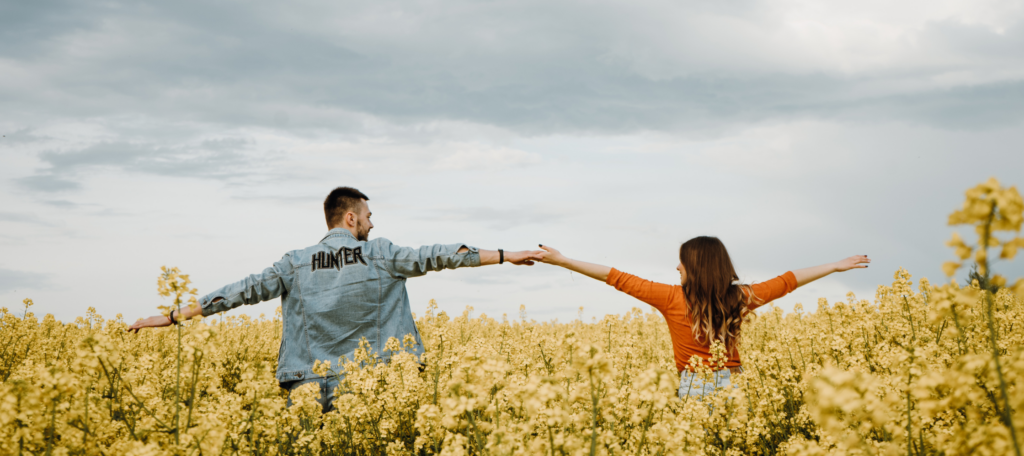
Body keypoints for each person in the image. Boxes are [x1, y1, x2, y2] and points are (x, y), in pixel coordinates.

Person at [129, 186, 544, 412]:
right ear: (351, 218)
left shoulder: (294, 263)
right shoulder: (381, 252)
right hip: (375, 383)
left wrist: (171, 316)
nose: (372, 223)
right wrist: (506, 255)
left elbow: (239, 292)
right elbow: (442, 255)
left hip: (306, 386)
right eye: (367, 216)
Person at [535, 237, 869, 399]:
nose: (676, 267)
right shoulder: (741, 297)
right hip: (736, 382)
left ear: (694, 267)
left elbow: (615, 276)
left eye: (680, 262)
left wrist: (564, 261)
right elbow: (789, 280)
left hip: (695, 386)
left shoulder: (669, 297)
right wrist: (835, 266)